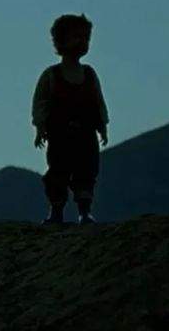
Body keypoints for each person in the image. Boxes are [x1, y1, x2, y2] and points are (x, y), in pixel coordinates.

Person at [31, 13, 109, 225]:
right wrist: (40, 126)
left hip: (86, 134)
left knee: (86, 172)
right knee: (58, 171)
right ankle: (56, 211)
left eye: (85, 38)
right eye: (77, 37)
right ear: (61, 41)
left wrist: (102, 125)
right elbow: (41, 102)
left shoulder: (89, 74)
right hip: (59, 135)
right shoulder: (52, 75)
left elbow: (98, 100)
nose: (82, 42)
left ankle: (84, 211)